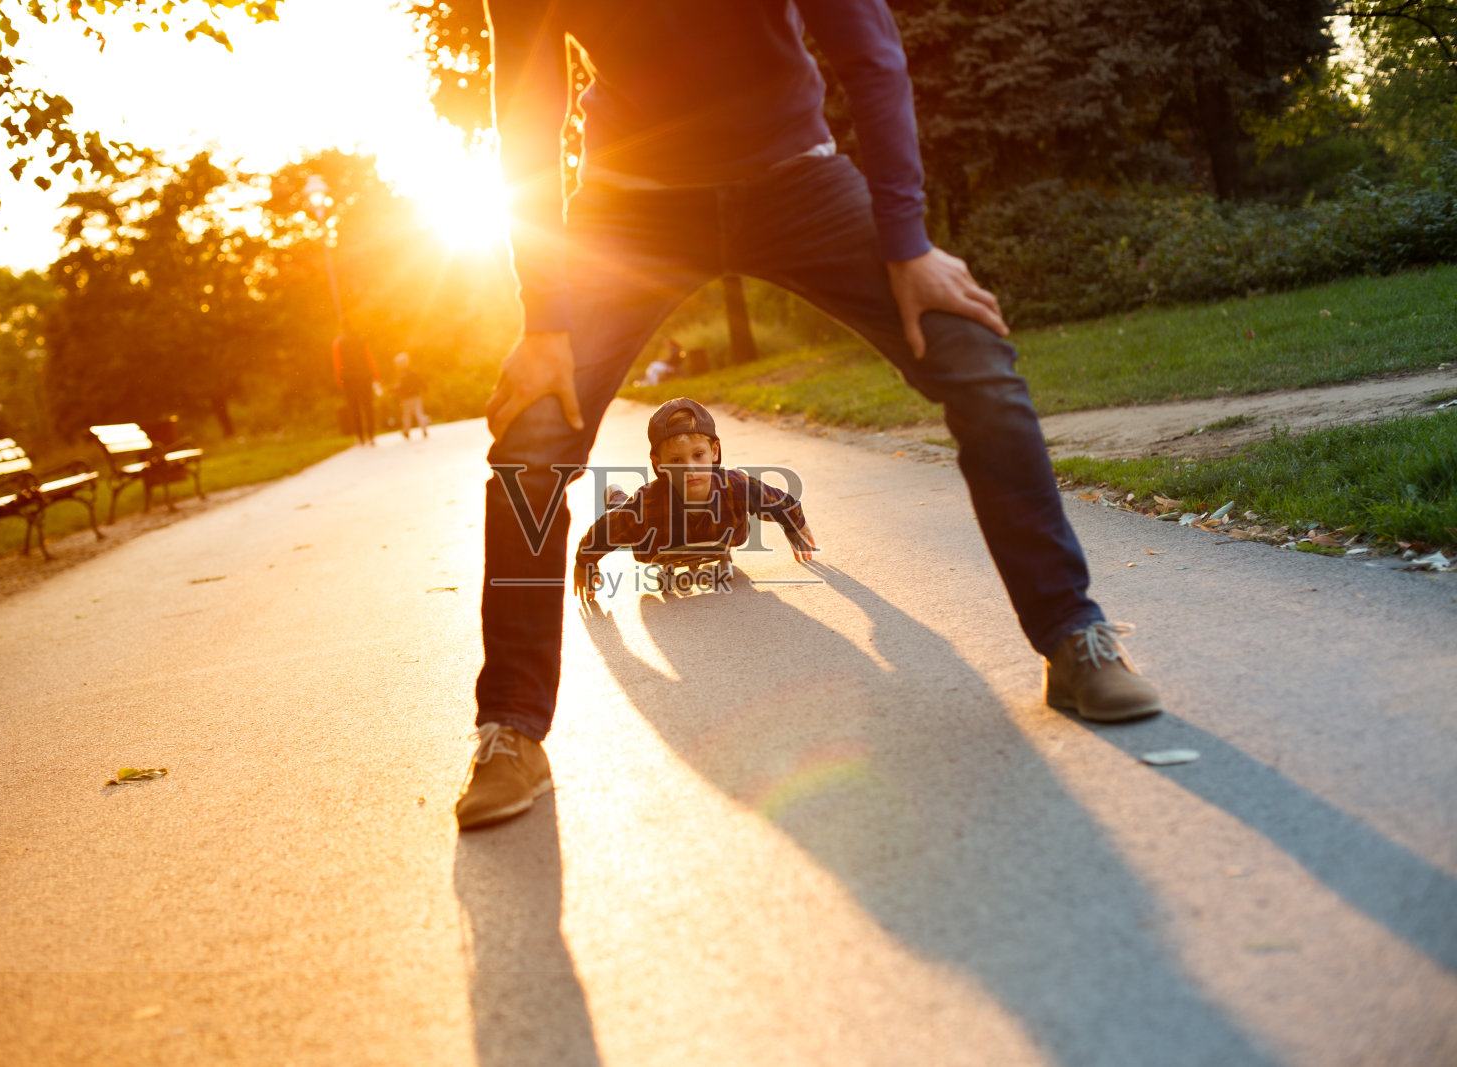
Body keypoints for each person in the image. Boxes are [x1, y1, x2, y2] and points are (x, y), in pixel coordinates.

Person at [457, 0, 1163, 830]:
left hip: (794, 179)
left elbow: (869, 49)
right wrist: (543, 321)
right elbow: (526, 101)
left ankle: (1071, 633)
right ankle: (511, 725)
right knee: (531, 441)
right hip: (631, 208)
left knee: (974, 360)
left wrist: (906, 245)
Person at [572, 397, 816, 602]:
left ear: (714, 452)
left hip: (719, 536)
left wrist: (794, 524)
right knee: (622, 512)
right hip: (655, 539)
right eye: (676, 460)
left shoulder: (736, 486)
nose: (689, 468)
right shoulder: (646, 503)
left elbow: (775, 500)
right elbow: (607, 530)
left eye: (698, 455)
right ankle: (615, 495)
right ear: (659, 464)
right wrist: (585, 562)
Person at [332, 321, 378, 446]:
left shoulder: (338, 342)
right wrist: (376, 375)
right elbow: (369, 358)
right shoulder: (362, 339)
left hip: (349, 379)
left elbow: (337, 363)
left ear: (342, 329)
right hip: (364, 377)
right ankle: (371, 436)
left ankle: (360, 437)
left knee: (354, 408)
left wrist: (339, 380)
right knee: (368, 407)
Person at [392, 352, 431, 440]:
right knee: (419, 413)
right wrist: (425, 390)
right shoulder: (413, 372)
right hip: (416, 396)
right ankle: (424, 428)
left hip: (406, 398)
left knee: (407, 415)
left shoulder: (401, 375)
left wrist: (392, 390)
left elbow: (400, 386)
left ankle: (406, 431)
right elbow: (421, 382)